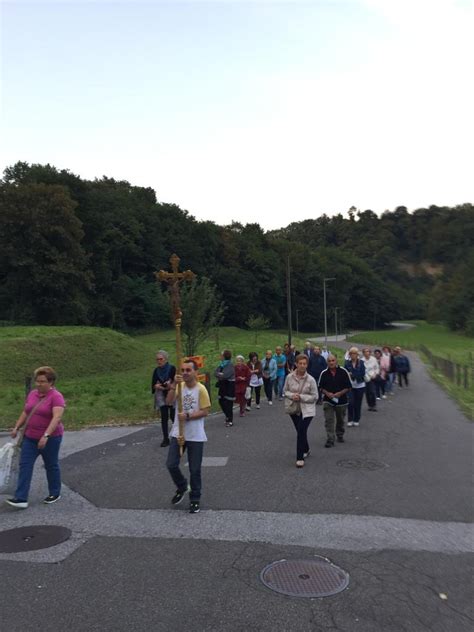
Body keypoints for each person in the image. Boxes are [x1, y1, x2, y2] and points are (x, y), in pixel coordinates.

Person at [6, 366, 65, 509]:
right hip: (30, 438)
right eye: (37, 381)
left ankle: (55, 492)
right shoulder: (33, 394)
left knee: (51, 465)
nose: (39, 384)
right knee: (24, 465)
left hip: (50, 439)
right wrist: (16, 427)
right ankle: (21, 498)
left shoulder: (56, 397)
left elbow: (56, 417)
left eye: (42, 381)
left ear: (51, 382)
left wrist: (46, 436)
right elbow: (26, 412)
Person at [166, 359, 211, 514]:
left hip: (195, 435)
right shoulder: (179, 386)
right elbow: (168, 401)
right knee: (171, 464)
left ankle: (195, 499)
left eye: (188, 370)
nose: (184, 373)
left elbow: (205, 411)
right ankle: (182, 486)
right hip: (178, 432)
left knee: (194, 468)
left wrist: (188, 415)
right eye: (182, 370)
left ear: (195, 372)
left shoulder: (201, 390)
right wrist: (172, 386)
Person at [283, 354, 318, 468]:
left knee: (301, 430)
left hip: (307, 410)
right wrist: (293, 395)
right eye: (300, 363)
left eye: (304, 364)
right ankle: (306, 449)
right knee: (300, 431)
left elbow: (315, 397)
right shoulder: (289, 377)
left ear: (307, 365)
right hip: (293, 407)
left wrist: (301, 397)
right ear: (296, 364)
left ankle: (299, 458)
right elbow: (285, 391)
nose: (302, 366)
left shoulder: (311, 380)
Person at [318, 354, 352, 447]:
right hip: (328, 400)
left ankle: (340, 434)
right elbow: (320, 387)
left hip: (341, 401)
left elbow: (349, 386)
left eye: (333, 360)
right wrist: (327, 393)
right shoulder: (324, 373)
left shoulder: (343, 372)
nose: (331, 363)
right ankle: (330, 438)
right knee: (329, 420)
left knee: (340, 420)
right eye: (329, 361)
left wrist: (340, 393)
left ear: (336, 361)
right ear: (327, 362)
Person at [151, 350, 176, 447]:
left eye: (161, 359)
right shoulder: (156, 371)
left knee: (174, 416)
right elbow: (153, 384)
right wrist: (157, 386)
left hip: (171, 394)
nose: (159, 361)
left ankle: (176, 436)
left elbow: (175, 381)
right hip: (161, 395)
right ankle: (165, 438)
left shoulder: (172, 368)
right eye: (157, 359)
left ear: (165, 359)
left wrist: (169, 385)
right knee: (164, 417)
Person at [344, 347, 366, 427]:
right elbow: (345, 373)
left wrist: (352, 374)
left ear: (357, 355)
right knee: (350, 403)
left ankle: (356, 419)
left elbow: (362, 373)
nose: (353, 355)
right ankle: (350, 419)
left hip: (360, 386)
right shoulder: (347, 363)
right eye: (351, 353)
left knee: (358, 404)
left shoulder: (362, 363)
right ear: (349, 355)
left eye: (355, 354)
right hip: (350, 386)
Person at [215, 350, 235, 427]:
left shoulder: (230, 365)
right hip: (222, 385)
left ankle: (230, 419)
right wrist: (220, 374)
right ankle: (227, 416)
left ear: (225, 356)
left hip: (229, 385)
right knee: (221, 401)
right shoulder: (221, 364)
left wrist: (220, 375)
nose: (220, 356)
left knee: (228, 402)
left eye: (221, 355)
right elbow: (215, 372)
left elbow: (226, 375)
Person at [362, 348, 379, 412]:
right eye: (365, 352)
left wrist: (375, 374)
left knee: (372, 392)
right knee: (367, 393)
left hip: (372, 378)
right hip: (365, 378)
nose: (367, 353)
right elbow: (361, 370)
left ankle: (374, 405)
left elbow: (377, 368)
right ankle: (369, 405)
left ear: (370, 352)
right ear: (363, 353)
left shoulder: (373, 359)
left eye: (368, 351)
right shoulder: (361, 360)